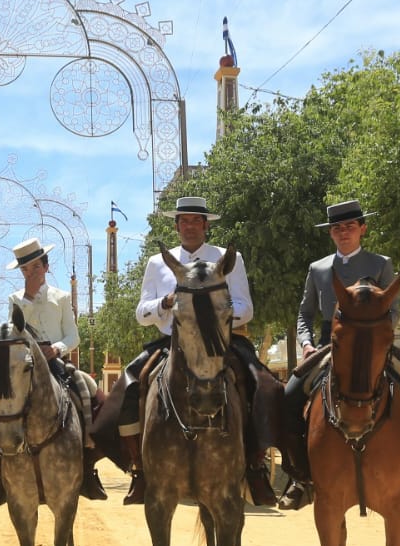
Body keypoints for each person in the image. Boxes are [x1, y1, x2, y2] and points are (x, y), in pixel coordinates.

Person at [102, 195, 282, 508]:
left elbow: (246, 307)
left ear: (205, 226)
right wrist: (166, 304)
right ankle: (140, 468)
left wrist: (212, 313)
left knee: (262, 385)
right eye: (183, 220)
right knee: (128, 387)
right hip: (171, 341)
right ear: (176, 225)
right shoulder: (158, 263)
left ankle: (255, 467)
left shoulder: (227, 258)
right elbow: (142, 312)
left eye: (195, 221)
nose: (189, 226)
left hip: (219, 341)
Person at [277, 199, 400, 514]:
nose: (343, 232)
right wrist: (305, 343)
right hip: (328, 347)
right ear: (330, 233)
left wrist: (375, 340)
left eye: (349, 226)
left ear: (362, 228)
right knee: (288, 397)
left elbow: (394, 310)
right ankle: (301, 478)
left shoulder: (381, 263)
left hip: (376, 347)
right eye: (336, 228)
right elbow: (304, 314)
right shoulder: (318, 269)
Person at [0, 237, 107, 505]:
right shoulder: (14, 299)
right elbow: (14, 332)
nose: (31, 273)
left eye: (35, 267)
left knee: (88, 390)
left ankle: (87, 461)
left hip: (54, 361)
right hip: (24, 362)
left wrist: (58, 348)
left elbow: (73, 335)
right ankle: (0, 472)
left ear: (46, 267)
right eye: (25, 269)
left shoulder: (61, 297)